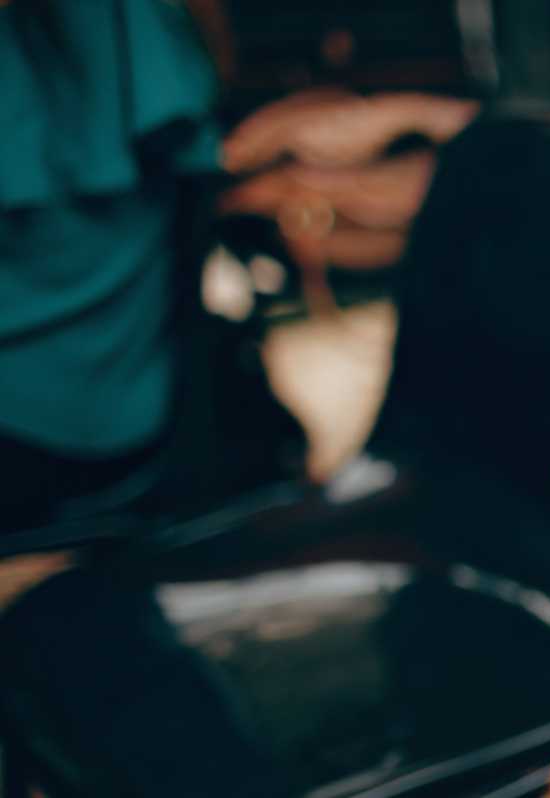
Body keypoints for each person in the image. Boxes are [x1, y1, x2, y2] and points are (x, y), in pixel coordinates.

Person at [0, 1, 476, 794]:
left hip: (112, 444)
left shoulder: (127, 45)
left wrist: (319, 165)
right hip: (122, 449)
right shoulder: (138, 45)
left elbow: (328, 208)